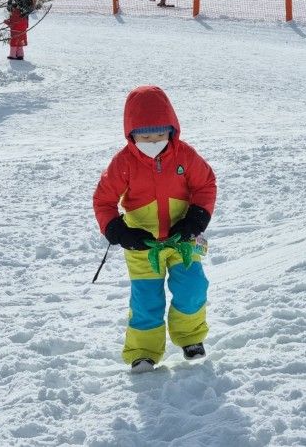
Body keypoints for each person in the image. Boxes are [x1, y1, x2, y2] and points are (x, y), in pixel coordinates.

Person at [93, 86, 217, 373]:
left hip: (182, 239)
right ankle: (144, 352)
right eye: (145, 136)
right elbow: (104, 200)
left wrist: (195, 220)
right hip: (142, 244)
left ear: (171, 130)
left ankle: (190, 337)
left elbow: (205, 184)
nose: (153, 142)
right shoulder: (123, 163)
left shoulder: (185, 156)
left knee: (193, 287)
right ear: (131, 134)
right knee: (146, 298)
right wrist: (120, 232)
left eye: (159, 135)